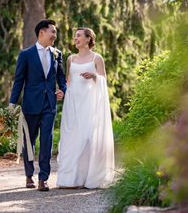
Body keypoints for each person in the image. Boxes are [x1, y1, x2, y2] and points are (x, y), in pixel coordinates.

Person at [9, 19, 67, 191]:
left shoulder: (57, 54)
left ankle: (43, 178)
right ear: (42, 32)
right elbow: (18, 81)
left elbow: (61, 79)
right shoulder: (25, 54)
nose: (55, 35)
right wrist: (12, 103)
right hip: (31, 104)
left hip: (49, 105)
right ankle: (29, 175)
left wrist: (63, 90)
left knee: (47, 141)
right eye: (53, 32)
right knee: (29, 141)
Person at [56, 27, 115, 189]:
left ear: (89, 39)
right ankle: (71, 179)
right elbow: (68, 81)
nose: (75, 39)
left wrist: (94, 76)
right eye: (75, 36)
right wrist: (62, 91)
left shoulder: (97, 58)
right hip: (72, 102)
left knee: (87, 138)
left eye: (79, 36)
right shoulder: (71, 59)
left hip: (89, 103)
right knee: (71, 137)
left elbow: (103, 79)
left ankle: (89, 177)